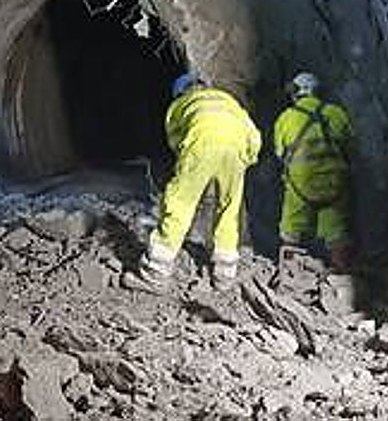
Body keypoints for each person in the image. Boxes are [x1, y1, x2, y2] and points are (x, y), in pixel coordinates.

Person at [122, 71, 262, 293]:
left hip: (201, 145)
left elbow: (176, 140)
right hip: (237, 150)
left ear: (180, 92)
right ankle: (224, 276)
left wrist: (189, 170)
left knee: (179, 203)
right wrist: (246, 161)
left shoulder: (181, 105)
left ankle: (155, 273)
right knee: (229, 207)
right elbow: (253, 135)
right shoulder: (226, 99)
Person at [273, 71, 353, 272]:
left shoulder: (286, 118)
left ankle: (289, 270)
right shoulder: (335, 113)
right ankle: (340, 271)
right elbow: (350, 143)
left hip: (301, 183)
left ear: (296, 92)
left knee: (291, 227)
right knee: (336, 230)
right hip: (333, 181)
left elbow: (279, 153)